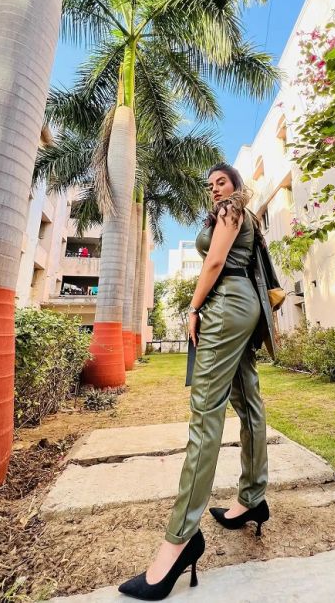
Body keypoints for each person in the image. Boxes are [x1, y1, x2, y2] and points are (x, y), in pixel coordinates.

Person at [119, 163, 271, 600]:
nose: (215, 188)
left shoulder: (230, 211)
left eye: (221, 181)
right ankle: (252, 497)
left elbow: (216, 261)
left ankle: (181, 539)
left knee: (206, 412)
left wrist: (192, 308)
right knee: (248, 402)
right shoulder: (240, 215)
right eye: (210, 185)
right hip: (245, 304)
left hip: (226, 305)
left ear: (236, 184)